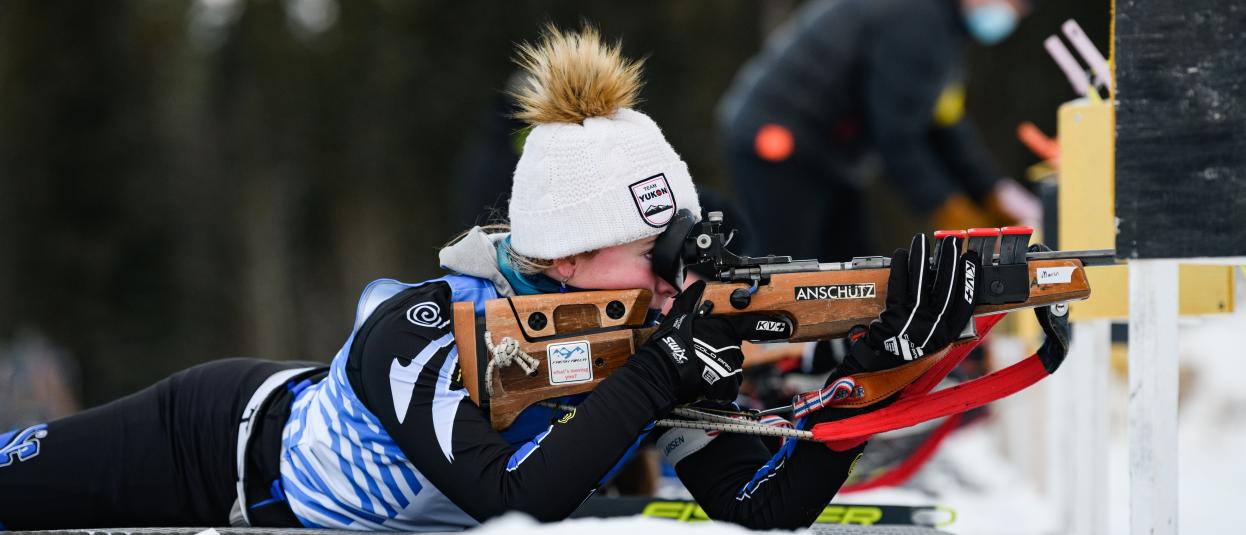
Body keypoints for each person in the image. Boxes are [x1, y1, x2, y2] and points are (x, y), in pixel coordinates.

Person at [0, 26, 979, 531]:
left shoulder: (646, 338)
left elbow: (760, 501)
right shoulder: (424, 328)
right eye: (650, 252)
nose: (672, 275)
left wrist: (890, 371)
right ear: (562, 257)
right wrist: (663, 368)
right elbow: (514, 498)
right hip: (210, 446)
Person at [718, 0, 1042, 263]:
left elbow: (945, 124)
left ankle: (836, 342)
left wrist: (993, 190)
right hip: (782, 141)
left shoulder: (943, 32)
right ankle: (750, 340)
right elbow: (897, 133)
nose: (1007, 16)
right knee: (785, 267)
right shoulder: (916, 20)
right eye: (1010, 4)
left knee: (852, 270)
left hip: (828, 156)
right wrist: (945, 205)